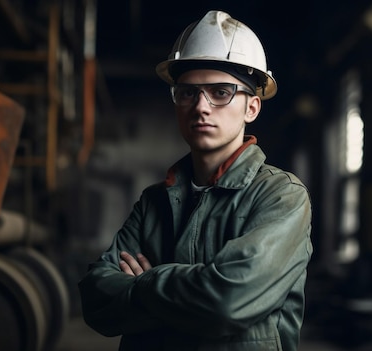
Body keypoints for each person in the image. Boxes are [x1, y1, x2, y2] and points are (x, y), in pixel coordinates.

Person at [78, 10, 313, 351]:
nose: (201, 107)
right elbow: (96, 300)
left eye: (220, 92)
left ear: (252, 108)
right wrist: (193, 292)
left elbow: (226, 301)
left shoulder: (280, 197)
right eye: (188, 92)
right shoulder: (154, 202)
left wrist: (144, 284)